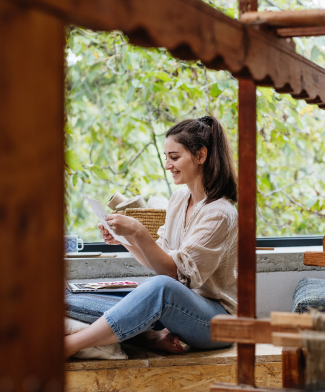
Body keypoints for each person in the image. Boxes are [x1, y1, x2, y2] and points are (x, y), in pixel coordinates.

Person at [65, 116, 238, 356]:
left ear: (201, 156)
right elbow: (159, 262)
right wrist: (125, 240)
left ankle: (69, 346)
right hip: (184, 309)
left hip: (218, 322)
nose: (167, 165)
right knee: (72, 293)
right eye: (167, 157)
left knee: (159, 288)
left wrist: (138, 230)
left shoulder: (220, 213)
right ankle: (150, 337)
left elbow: (173, 276)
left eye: (175, 157)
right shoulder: (179, 199)